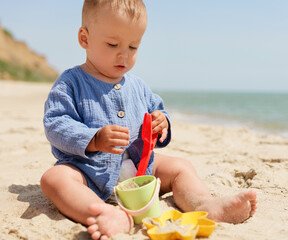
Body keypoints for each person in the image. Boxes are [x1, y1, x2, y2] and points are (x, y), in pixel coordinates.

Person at [40, 0, 257, 239]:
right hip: (89, 171)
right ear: (85, 38)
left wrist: (162, 122)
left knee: (180, 167)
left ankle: (204, 204)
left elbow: (157, 110)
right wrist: (93, 139)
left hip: (141, 168)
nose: (124, 54)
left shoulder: (137, 85)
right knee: (54, 179)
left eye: (133, 47)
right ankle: (104, 213)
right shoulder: (71, 82)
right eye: (112, 44)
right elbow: (56, 123)